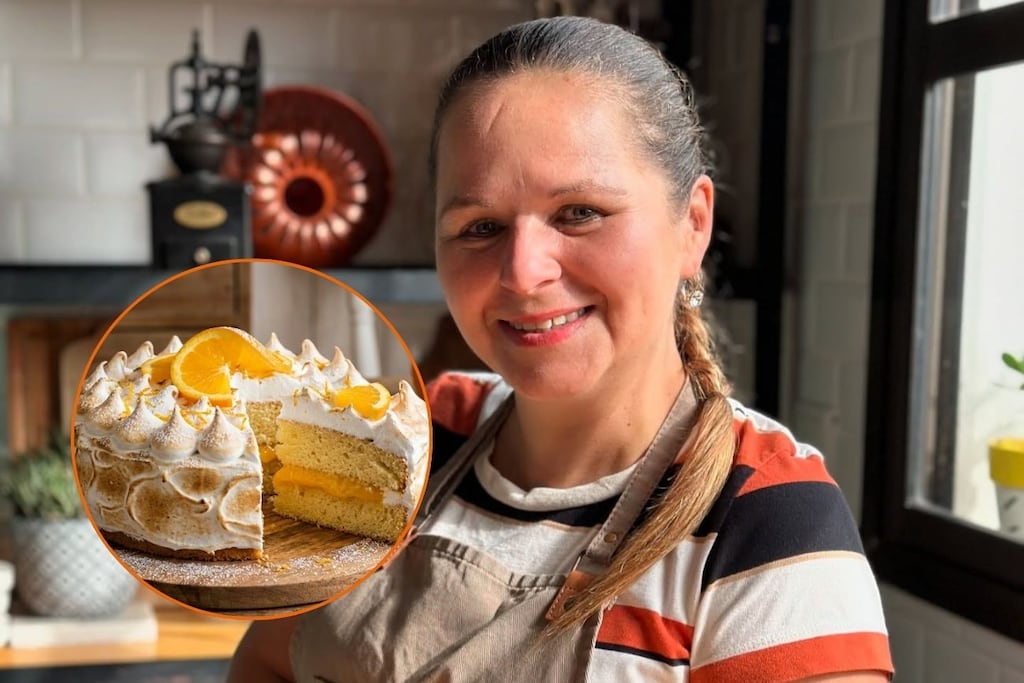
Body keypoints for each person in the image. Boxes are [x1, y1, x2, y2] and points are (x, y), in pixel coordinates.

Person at [228, 16, 894, 683]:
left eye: (580, 212)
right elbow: (266, 663)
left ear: (692, 224)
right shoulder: (409, 435)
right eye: (479, 226)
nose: (523, 271)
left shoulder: (767, 519)